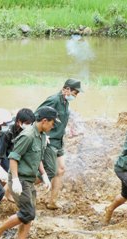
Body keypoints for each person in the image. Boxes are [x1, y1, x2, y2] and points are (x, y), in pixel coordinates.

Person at [0, 106, 57, 239]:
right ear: (44, 121)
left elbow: (37, 157)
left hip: (29, 179)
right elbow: (14, 157)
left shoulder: (41, 136)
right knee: (27, 213)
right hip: (20, 179)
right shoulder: (28, 135)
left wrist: (44, 175)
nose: (53, 127)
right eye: (52, 123)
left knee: (29, 214)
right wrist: (15, 180)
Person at [37, 78, 82, 209]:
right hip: (50, 140)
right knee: (50, 171)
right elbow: (37, 116)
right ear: (66, 89)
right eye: (75, 93)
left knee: (61, 170)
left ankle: (52, 202)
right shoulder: (54, 100)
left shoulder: (65, 101)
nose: (75, 96)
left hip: (59, 140)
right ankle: (19, 186)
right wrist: (43, 135)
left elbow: (60, 118)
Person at [0, 108, 35, 202]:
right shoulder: (7, 131)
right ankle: (2, 194)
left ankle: (6, 193)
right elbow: (1, 152)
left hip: (16, 153)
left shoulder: (27, 129)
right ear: (19, 122)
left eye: (30, 123)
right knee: (12, 172)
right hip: (6, 154)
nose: (29, 126)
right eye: (27, 123)